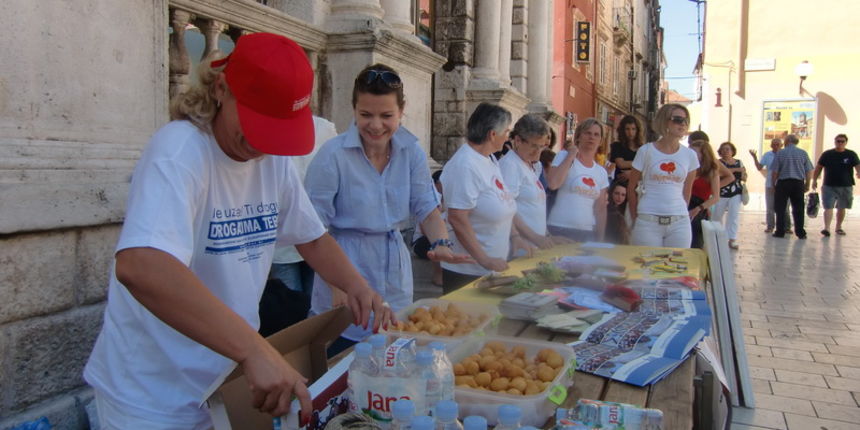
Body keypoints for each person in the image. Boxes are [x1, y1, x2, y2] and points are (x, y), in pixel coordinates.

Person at [83, 33, 393, 429]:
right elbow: (141, 265)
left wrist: (357, 286)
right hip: (153, 396)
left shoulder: (271, 160)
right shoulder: (178, 152)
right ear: (220, 89)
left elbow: (310, 236)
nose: (261, 147)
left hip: (225, 385)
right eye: (256, 125)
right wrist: (253, 350)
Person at [304, 64, 467, 355]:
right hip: (345, 261)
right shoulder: (333, 155)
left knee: (394, 349)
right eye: (366, 115)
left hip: (394, 266)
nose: (376, 125)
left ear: (401, 112)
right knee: (344, 356)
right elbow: (315, 229)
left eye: (386, 116)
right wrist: (336, 285)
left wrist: (441, 242)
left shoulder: (411, 151)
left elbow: (426, 207)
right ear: (353, 110)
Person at [440, 103, 534, 293]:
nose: (507, 137)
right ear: (492, 134)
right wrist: (484, 259)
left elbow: (503, 202)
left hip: (491, 267)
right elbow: (457, 218)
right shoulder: (465, 165)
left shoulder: (490, 159)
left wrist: (515, 236)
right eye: (506, 132)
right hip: (467, 272)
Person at [269, 116, 338, 296]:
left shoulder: (325, 129)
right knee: (288, 309)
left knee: (314, 305)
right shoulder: (269, 128)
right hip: (280, 243)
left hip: (317, 236)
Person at [626, 103, 700, 248]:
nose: (683, 124)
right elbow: (631, 187)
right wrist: (635, 217)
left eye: (686, 120)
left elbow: (687, 190)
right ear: (664, 121)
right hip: (648, 220)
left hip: (679, 222)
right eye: (678, 119)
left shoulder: (690, 155)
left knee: (677, 267)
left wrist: (681, 210)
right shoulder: (646, 151)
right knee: (646, 267)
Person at [499, 113, 568, 250]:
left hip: (534, 246)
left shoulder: (532, 166)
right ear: (518, 140)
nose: (538, 152)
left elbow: (534, 208)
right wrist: (535, 237)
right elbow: (506, 210)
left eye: (542, 146)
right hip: (519, 247)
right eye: (534, 146)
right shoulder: (510, 166)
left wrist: (547, 236)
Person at [545, 118, 610, 242]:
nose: (592, 137)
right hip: (559, 227)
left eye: (596, 135)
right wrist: (571, 155)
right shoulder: (563, 156)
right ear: (579, 136)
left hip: (587, 231)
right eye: (588, 133)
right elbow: (553, 183)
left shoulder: (601, 172)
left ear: (601, 140)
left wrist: (600, 238)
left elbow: (600, 209)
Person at [687, 132, 734, 249]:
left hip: (698, 206)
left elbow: (716, 196)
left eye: (694, 152)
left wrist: (702, 205)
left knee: (695, 242)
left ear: (703, 154)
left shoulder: (712, 170)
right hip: (684, 204)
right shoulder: (688, 167)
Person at [812, 134, 860, 237]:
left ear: (846, 142)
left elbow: (857, 166)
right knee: (828, 207)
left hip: (845, 185)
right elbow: (818, 167)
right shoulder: (827, 154)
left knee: (841, 207)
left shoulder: (851, 154)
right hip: (829, 185)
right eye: (838, 141)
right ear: (835, 142)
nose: (840, 143)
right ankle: (827, 228)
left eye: (842, 141)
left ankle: (838, 227)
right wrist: (814, 180)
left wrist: (859, 173)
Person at [771, 134, 814, 239]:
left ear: (787, 141)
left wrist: (774, 184)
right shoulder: (803, 153)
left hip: (783, 183)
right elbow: (809, 170)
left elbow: (775, 171)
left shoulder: (781, 153)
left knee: (780, 208)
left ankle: (780, 231)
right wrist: (807, 184)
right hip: (798, 183)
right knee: (798, 208)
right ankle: (800, 232)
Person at [411, 169, 446, 286]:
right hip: (421, 241)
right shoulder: (429, 199)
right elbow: (425, 228)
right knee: (438, 240)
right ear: (436, 183)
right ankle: (438, 275)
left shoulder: (447, 199)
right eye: (442, 182)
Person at [750, 138, 791, 234]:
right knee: (770, 207)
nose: (776, 146)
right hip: (769, 184)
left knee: (785, 207)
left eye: (778, 144)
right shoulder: (767, 155)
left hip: (784, 184)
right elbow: (759, 167)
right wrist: (755, 157)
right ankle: (770, 226)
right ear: (771, 145)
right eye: (774, 144)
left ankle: (787, 227)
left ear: (782, 145)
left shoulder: (786, 155)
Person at [712, 141, 747, 249]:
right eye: (723, 149)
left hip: (735, 192)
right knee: (717, 216)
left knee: (733, 216)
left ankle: (732, 239)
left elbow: (744, 176)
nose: (725, 151)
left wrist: (743, 173)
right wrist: (736, 170)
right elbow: (719, 173)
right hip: (721, 192)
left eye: (728, 149)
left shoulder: (739, 162)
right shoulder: (718, 163)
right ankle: (717, 237)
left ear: (732, 151)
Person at [610, 115, 645, 183]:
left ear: (637, 130)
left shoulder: (643, 148)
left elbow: (647, 170)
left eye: (633, 129)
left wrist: (632, 173)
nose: (630, 133)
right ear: (623, 130)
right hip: (620, 186)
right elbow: (621, 164)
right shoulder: (617, 146)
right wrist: (639, 164)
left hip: (637, 186)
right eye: (627, 129)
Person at [605, 180, 629, 244]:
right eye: (616, 193)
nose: (619, 197)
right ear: (611, 193)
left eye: (623, 195)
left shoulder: (625, 211)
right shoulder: (606, 210)